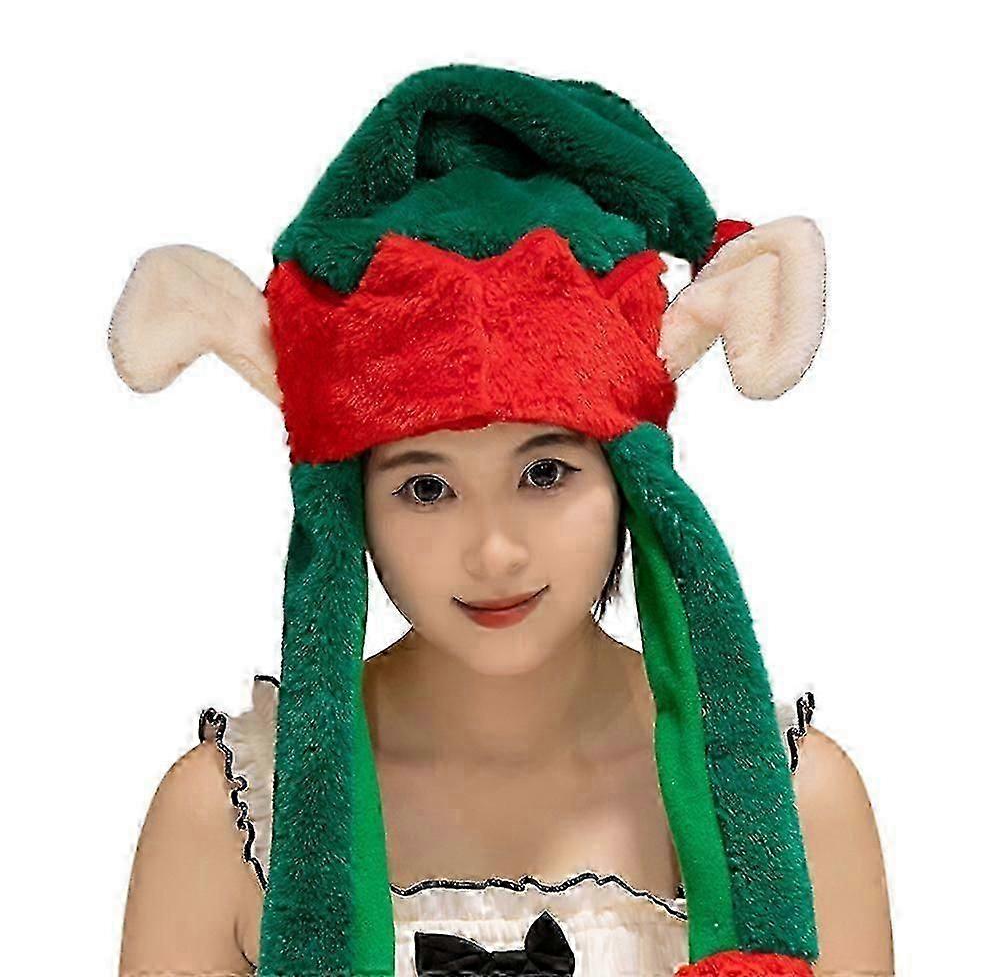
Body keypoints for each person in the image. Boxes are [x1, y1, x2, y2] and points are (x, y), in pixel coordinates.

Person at [111, 64, 893, 977]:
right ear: (351, 505)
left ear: (632, 481)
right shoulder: (227, 823)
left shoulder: (795, 807)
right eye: (425, 488)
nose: (494, 551)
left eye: (545, 472)